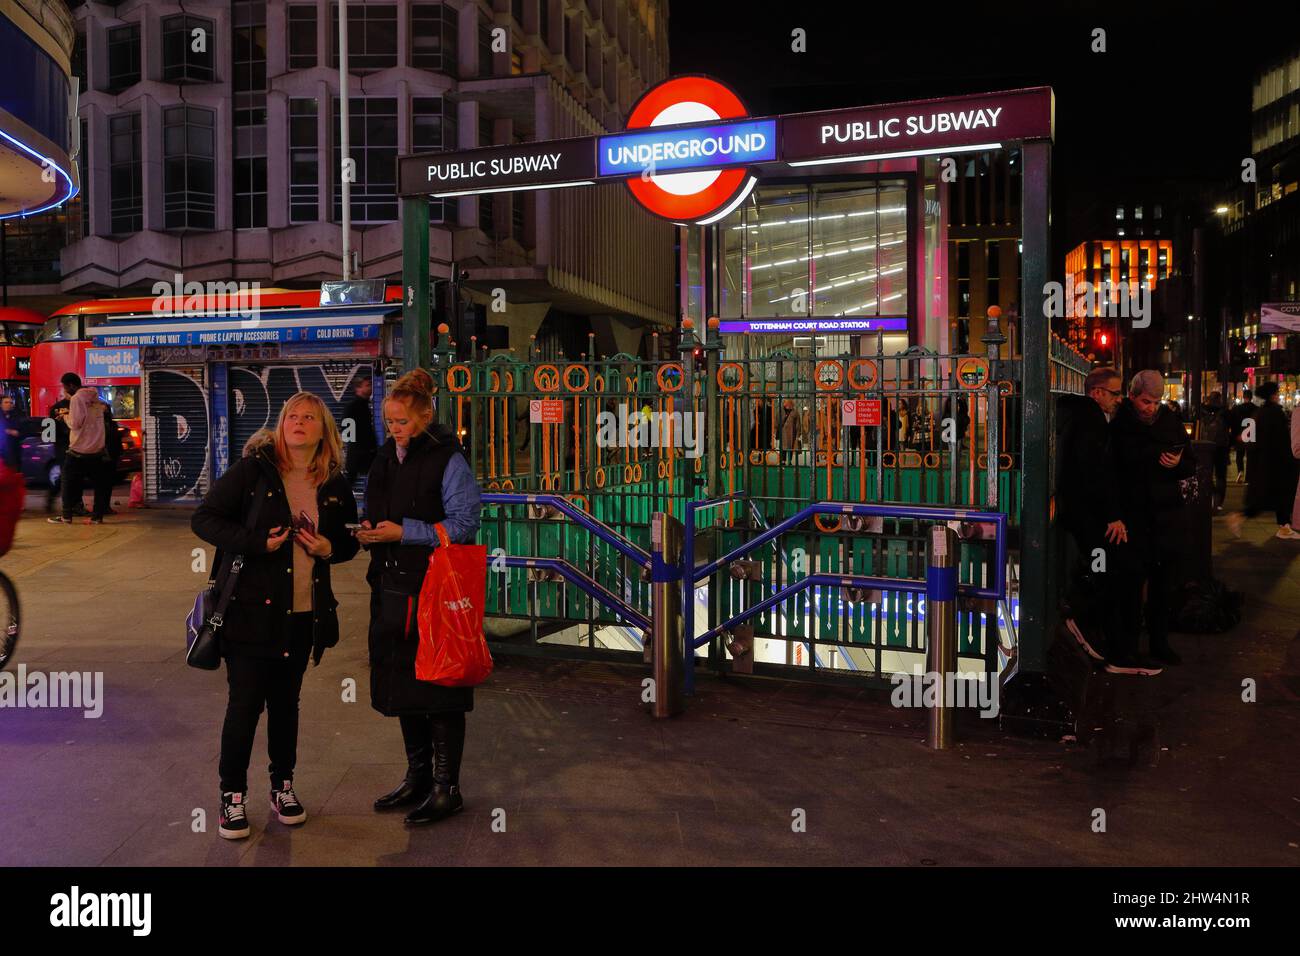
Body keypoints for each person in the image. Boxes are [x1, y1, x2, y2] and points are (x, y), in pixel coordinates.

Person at [191, 394, 360, 840]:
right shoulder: (254, 471)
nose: (299, 422)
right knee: (244, 705)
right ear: (281, 425)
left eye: (309, 417)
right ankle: (232, 796)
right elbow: (204, 519)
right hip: (249, 613)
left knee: (287, 705)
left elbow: (347, 541)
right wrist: (254, 542)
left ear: (323, 430)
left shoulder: (334, 482)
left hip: (303, 614)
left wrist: (329, 549)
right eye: (291, 416)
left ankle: (283, 787)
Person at [360, 368, 482, 827]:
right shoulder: (385, 457)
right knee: (402, 684)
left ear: (426, 416)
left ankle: (446, 787)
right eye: (389, 421)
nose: (394, 429)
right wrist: (370, 532)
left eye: (402, 422)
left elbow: (465, 522)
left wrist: (404, 532)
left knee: (441, 686)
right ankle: (417, 776)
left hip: (433, 590)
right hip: (390, 586)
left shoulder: (447, 458)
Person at [1110, 369, 1195, 672]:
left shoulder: (1169, 421)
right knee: (1131, 586)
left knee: (1163, 585)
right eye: (1146, 401)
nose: (1151, 408)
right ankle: (1128, 648)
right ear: (1132, 397)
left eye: (1156, 402)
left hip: (1165, 516)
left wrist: (1178, 463)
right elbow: (1114, 470)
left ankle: (1159, 642)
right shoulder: (1121, 425)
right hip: (1135, 516)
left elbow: (1190, 462)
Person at [1055, 366, 1127, 664]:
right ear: (1097, 392)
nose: (1118, 399)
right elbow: (1096, 471)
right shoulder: (1092, 421)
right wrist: (1112, 515)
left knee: (1097, 565)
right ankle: (1082, 622)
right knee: (1102, 568)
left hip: (1073, 508)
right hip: (1088, 512)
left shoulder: (1075, 415)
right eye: (1115, 393)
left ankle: (1083, 620)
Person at [1227, 381, 1298, 540]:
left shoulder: (1261, 412)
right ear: (1273, 395)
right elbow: (1280, 440)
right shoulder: (1275, 413)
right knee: (1273, 497)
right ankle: (1239, 516)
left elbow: (1249, 436)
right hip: (1275, 463)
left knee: (1270, 497)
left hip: (1263, 462)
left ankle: (1284, 526)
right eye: (1277, 393)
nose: (1279, 395)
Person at [49, 374, 111, 525]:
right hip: (96, 448)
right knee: (99, 484)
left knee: (67, 481)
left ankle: (66, 516)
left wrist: (64, 416)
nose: (64, 390)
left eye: (64, 386)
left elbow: (75, 424)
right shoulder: (96, 398)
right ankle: (97, 517)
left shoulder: (77, 398)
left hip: (78, 449)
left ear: (70, 385)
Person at [1197, 392, 1231, 511]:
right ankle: (1219, 502)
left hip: (1207, 448)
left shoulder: (1202, 410)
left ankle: (1210, 496)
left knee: (1207, 474)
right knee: (1221, 476)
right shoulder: (1225, 412)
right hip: (1221, 448)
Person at [342, 374, 378, 483]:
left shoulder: (364, 405)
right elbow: (347, 431)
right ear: (358, 388)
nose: (370, 388)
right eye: (367, 385)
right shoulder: (353, 406)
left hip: (365, 453)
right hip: (359, 453)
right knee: (349, 482)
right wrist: (358, 446)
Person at [1226, 388, 1255, 483]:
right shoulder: (1256, 409)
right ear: (1251, 398)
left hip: (1240, 435)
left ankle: (1240, 472)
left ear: (1244, 397)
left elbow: (1232, 422)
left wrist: (1235, 435)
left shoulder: (1237, 409)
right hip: (1252, 436)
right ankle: (1249, 477)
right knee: (1251, 457)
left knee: (1240, 456)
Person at [0, 395, 21, 470]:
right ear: (1, 404)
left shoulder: (17, 416)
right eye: (6, 402)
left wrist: (15, 432)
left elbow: (21, 431)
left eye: (10, 402)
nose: (9, 404)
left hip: (13, 453)